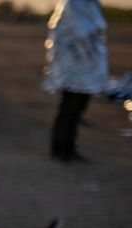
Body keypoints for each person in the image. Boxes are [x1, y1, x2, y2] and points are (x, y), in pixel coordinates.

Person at [43, 0, 109, 163]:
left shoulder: (88, 3)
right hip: (73, 69)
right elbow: (83, 31)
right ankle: (60, 150)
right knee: (69, 110)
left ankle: (68, 148)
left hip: (85, 69)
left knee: (76, 110)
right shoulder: (74, 3)